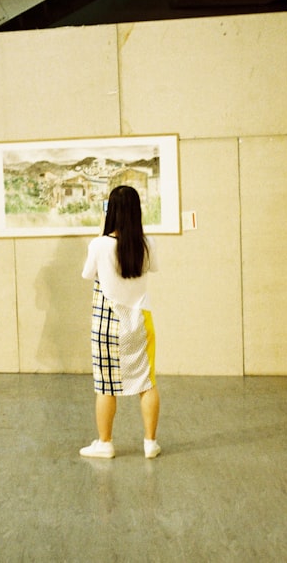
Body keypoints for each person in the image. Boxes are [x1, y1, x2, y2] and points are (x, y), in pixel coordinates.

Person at [79, 185, 161, 459]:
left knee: (106, 385)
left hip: (107, 323)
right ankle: (150, 443)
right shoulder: (147, 243)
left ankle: (105, 443)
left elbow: (87, 273)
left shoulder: (99, 244)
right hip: (140, 320)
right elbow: (151, 268)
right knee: (146, 383)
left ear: (110, 211)